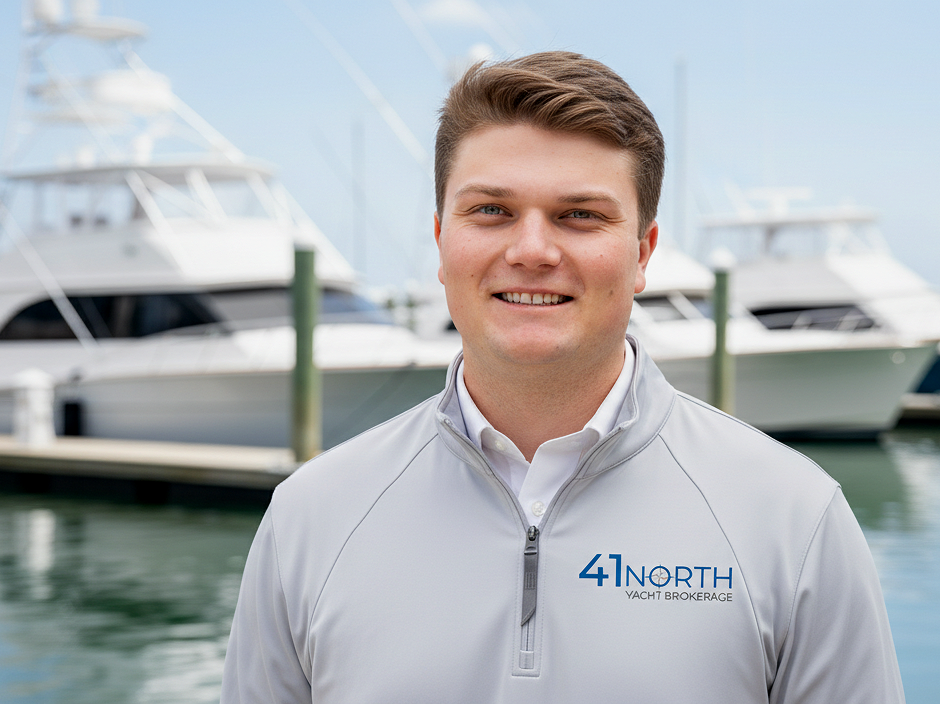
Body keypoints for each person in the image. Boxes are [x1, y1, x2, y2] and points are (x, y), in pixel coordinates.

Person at [221, 51, 905, 703]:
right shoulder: (310, 518)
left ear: (642, 254)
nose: (532, 250)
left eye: (580, 215)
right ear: (439, 242)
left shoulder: (794, 519)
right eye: (491, 210)